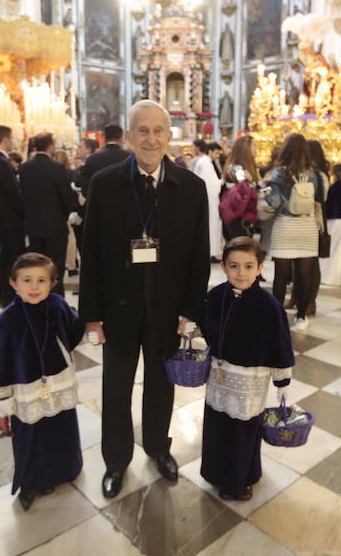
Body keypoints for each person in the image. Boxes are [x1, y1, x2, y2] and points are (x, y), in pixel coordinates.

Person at [79, 100, 209, 499]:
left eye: (158, 131)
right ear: (130, 135)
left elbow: (198, 255)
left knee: (161, 385)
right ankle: (116, 461)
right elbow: (93, 253)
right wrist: (91, 316)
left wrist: (191, 310)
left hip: (167, 309)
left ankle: (158, 447)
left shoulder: (191, 188)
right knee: (116, 387)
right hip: (119, 307)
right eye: (143, 130)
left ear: (170, 136)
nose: (151, 139)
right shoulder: (105, 183)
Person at [0, 253, 84, 512]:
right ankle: (31, 482)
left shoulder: (58, 305)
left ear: (52, 283)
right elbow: (1, 361)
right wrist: (3, 399)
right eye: (27, 280)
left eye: (41, 280)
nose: (35, 287)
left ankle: (65, 470)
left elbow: (74, 332)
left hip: (58, 382)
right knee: (31, 435)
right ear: (14, 283)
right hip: (26, 388)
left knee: (61, 429)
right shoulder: (8, 319)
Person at [200, 237, 294, 501]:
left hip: (250, 380)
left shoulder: (269, 305)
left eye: (248, 266)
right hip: (219, 375)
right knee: (218, 426)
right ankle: (217, 474)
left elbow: (280, 344)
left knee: (243, 430)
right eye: (234, 266)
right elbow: (206, 325)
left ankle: (241, 479)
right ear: (223, 266)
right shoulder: (215, 296)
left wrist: (282, 382)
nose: (241, 273)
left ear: (260, 268)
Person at [267, 134, 326, 330]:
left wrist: (266, 195)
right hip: (307, 226)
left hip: (285, 225)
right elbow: (319, 198)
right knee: (305, 274)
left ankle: (276, 316)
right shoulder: (313, 173)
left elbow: (274, 202)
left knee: (281, 275)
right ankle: (301, 317)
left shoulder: (279, 173)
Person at [18, 132, 74, 295]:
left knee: (37, 267)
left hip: (34, 226)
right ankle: (56, 300)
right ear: (50, 146)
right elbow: (66, 197)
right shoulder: (56, 167)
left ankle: (39, 298)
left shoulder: (25, 167)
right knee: (55, 267)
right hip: (55, 226)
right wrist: (63, 216)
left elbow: (23, 195)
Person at [0, 126, 26, 305]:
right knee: (10, 257)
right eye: (10, 139)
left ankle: (7, 294)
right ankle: (8, 295)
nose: (12, 142)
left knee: (7, 257)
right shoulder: (0, 161)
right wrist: (24, 211)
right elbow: (12, 191)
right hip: (10, 217)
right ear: (4, 139)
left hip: (6, 216)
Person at [221, 136, 260, 239]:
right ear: (245, 148)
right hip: (237, 219)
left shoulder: (248, 167)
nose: (256, 148)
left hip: (245, 218)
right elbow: (244, 191)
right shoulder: (235, 169)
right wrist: (251, 181)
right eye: (254, 145)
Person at [79, 124, 130, 200]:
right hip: (125, 204)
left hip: (99, 205)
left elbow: (85, 188)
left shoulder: (92, 159)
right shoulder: (130, 157)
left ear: (104, 138)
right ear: (120, 138)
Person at [193, 140, 224, 260]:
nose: (217, 156)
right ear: (209, 151)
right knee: (210, 225)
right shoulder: (205, 163)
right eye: (216, 153)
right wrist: (221, 182)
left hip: (210, 199)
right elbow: (209, 184)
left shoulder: (206, 161)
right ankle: (210, 252)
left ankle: (211, 252)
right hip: (209, 200)